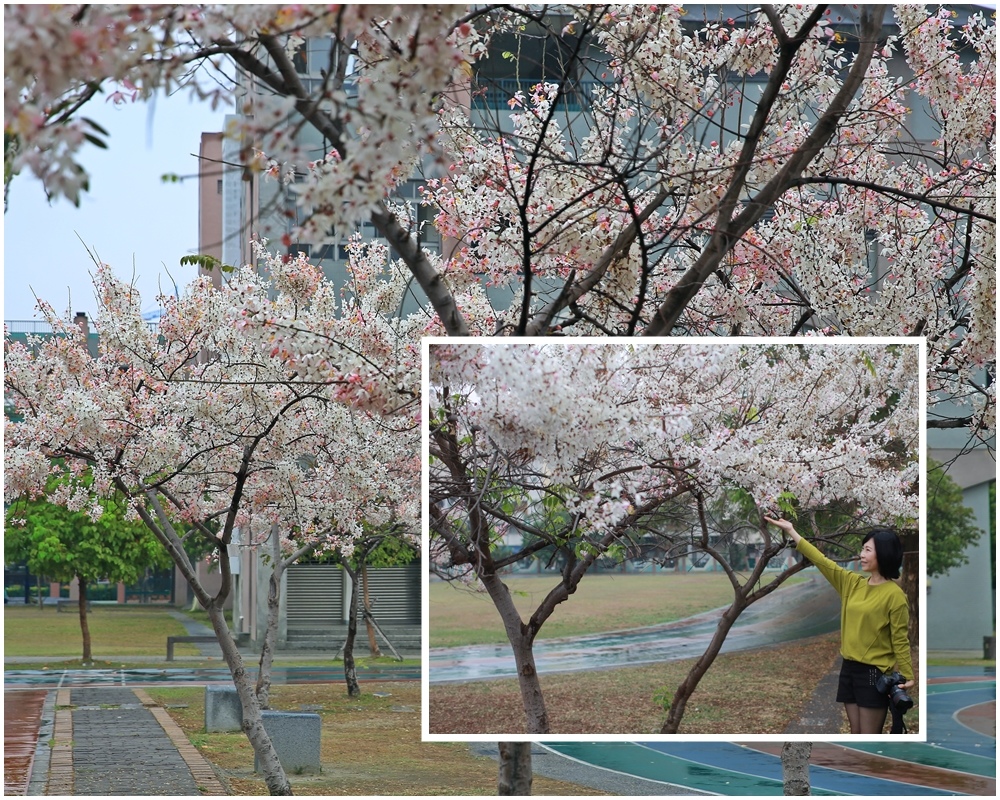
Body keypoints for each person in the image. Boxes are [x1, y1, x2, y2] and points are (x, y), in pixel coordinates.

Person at [764, 516, 915, 734]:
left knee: (869, 737)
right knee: (855, 733)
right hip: (849, 669)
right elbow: (822, 560)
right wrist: (792, 531)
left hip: (874, 673)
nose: (862, 555)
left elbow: (900, 639)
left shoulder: (895, 596)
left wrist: (908, 676)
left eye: (868, 550)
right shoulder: (852, 583)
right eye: (862, 549)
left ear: (884, 553)